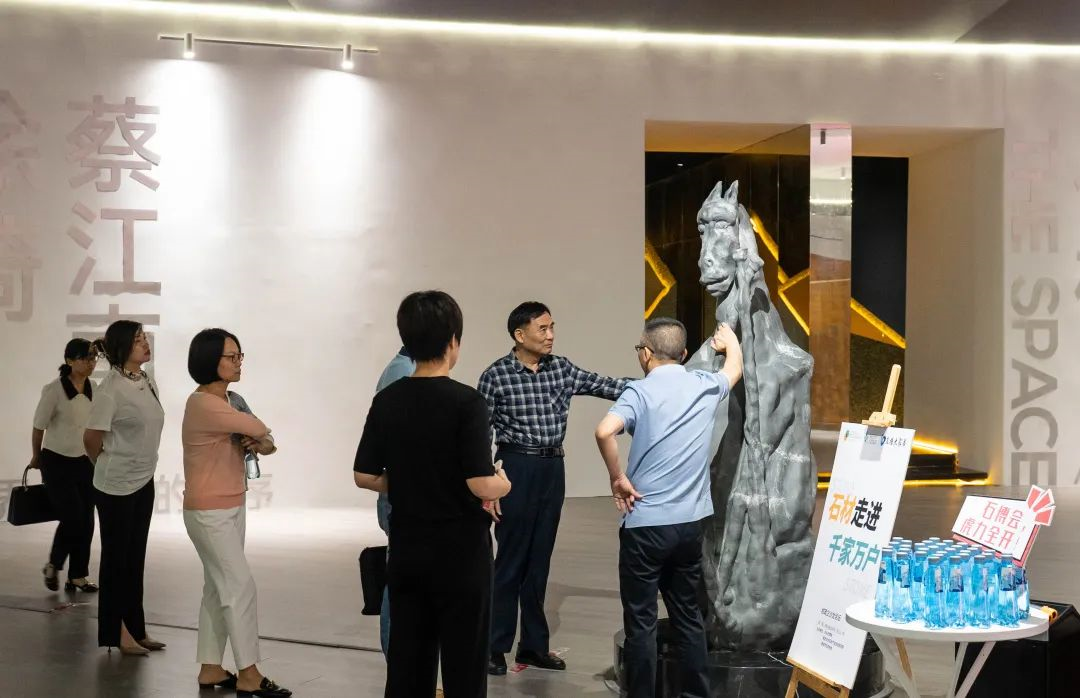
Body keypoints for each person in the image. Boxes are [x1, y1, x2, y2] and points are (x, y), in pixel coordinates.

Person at [354, 290, 511, 698]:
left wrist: (409, 477)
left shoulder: (387, 400)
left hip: (408, 549)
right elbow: (480, 483)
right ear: (453, 341)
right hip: (461, 554)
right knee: (464, 665)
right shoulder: (467, 402)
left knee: (408, 664)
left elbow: (364, 475)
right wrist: (504, 482)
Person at [593, 319, 743, 698]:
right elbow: (733, 370)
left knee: (641, 623)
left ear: (646, 353)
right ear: (684, 353)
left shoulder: (639, 392)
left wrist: (617, 477)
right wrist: (731, 341)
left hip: (645, 526)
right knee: (688, 617)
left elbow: (604, 431)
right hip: (690, 525)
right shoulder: (703, 385)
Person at [479, 301, 629, 675]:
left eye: (552, 327)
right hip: (515, 468)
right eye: (543, 329)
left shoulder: (560, 368)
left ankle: (532, 647)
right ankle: (493, 647)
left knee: (539, 560)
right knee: (510, 560)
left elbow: (606, 385)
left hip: (551, 469)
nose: (551, 335)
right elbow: (480, 434)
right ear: (519, 335)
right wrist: (487, 487)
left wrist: (662, 382)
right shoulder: (496, 376)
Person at [181, 328, 291, 698]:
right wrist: (259, 435)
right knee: (239, 586)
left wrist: (261, 439)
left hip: (231, 503)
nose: (238, 362)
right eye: (231, 356)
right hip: (209, 511)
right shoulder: (203, 403)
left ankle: (211, 667)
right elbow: (258, 428)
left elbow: (267, 442)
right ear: (209, 360)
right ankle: (249, 672)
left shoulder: (231, 400)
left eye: (239, 355)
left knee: (218, 588)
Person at [83, 321, 166, 655]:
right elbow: (91, 439)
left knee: (135, 558)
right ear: (121, 348)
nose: (145, 344)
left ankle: (136, 627)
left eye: (145, 338)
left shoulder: (146, 380)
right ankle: (115, 632)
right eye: (137, 340)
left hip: (143, 479)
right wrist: (106, 464)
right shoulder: (110, 389)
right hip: (115, 486)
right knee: (116, 561)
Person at [30, 338, 100, 593]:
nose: (91, 363)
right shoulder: (54, 390)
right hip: (56, 461)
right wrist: (36, 456)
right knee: (73, 517)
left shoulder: (94, 388)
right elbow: (39, 426)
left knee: (87, 520)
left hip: (85, 461)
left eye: (93, 357)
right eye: (85, 358)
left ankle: (78, 576)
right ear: (70, 361)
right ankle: (54, 565)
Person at [373, 347, 415, 658]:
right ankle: (399, 662)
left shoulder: (404, 369)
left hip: (403, 495)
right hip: (403, 498)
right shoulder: (402, 373)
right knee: (402, 580)